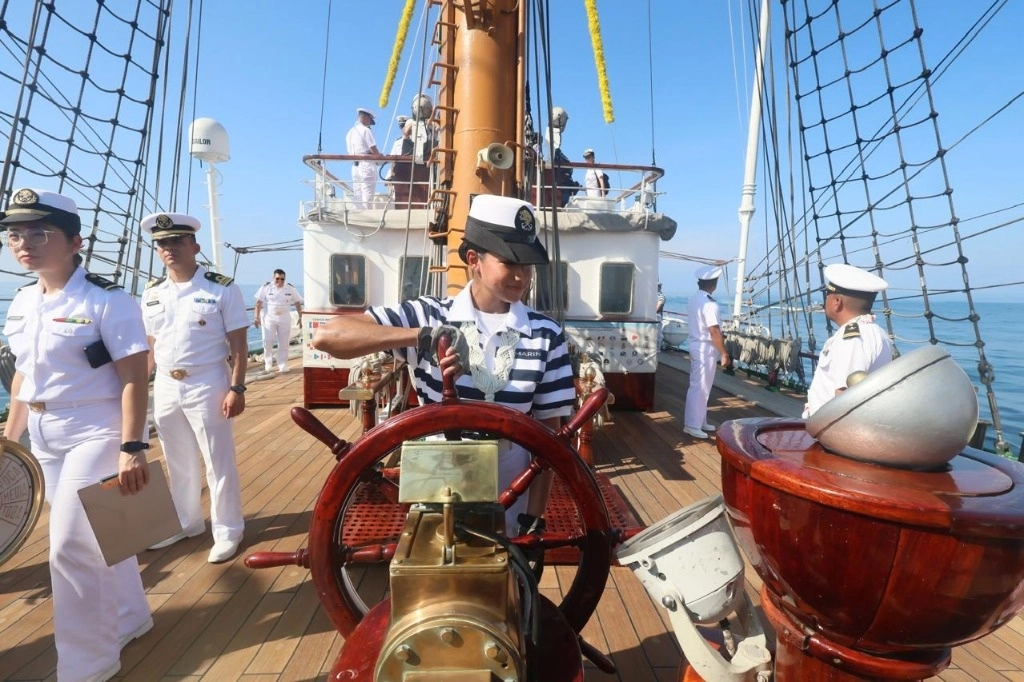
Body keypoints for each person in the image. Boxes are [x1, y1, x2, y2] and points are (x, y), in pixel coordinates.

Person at [310, 194, 576, 532]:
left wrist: (534, 518)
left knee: (508, 575)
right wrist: (421, 337)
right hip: (438, 474)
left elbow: (549, 437)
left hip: (513, 478)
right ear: (473, 259)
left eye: (528, 264)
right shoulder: (429, 314)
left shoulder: (546, 334)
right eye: (510, 263)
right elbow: (327, 337)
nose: (522, 276)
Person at [1, 188, 152, 681]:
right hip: (43, 434)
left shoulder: (109, 300)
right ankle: (131, 616)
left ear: (74, 241)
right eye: (15, 233)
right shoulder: (22, 302)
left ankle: (88, 664)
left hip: (97, 429)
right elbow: (23, 377)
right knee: (105, 534)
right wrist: (10, 442)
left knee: (69, 546)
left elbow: (134, 376)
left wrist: (133, 447)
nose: (24, 242)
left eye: (39, 232)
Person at [141, 212, 249, 563]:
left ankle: (228, 529)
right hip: (167, 385)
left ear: (194, 246)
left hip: (208, 381)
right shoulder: (152, 293)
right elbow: (150, 344)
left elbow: (239, 345)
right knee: (177, 459)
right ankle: (187, 522)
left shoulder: (221, 287)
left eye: (176, 242)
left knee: (217, 460)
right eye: (162, 244)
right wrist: (138, 387)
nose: (169, 248)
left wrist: (238, 389)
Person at [803, 263, 893, 418]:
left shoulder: (852, 338)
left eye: (827, 295)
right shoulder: (875, 331)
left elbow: (845, 398)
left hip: (832, 434)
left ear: (837, 302)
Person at [683, 266, 732, 439]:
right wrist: (724, 353)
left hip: (697, 345)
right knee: (700, 387)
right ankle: (692, 425)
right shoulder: (710, 304)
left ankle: (700, 421)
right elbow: (714, 331)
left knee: (702, 386)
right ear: (714, 283)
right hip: (705, 348)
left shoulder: (694, 299)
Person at [254, 269, 303, 373]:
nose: (280, 281)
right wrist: (256, 318)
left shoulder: (290, 288)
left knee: (284, 343)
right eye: (277, 279)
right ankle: (268, 363)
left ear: (285, 278)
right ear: (273, 278)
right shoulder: (266, 287)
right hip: (269, 318)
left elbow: (297, 302)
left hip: (284, 318)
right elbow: (258, 303)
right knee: (267, 341)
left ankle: (283, 364)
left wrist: (300, 317)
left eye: (282, 279)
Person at [345, 107, 380, 209]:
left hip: (355, 166)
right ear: (365, 117)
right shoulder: (365, 130)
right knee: (367, 194)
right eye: (369, 121)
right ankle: (366, 217)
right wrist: (379, 157)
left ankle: (359, 215)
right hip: (366, 165)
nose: (369, 124)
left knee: (358, 195)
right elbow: (374, 149)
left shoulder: (349, 133)